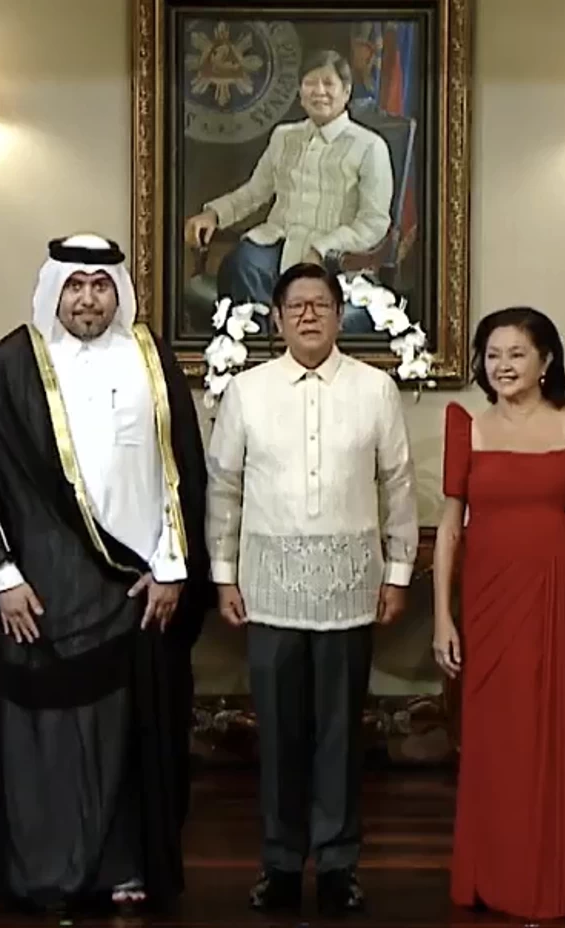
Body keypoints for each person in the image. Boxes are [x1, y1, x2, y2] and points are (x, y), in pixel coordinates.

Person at [0, 234, 211, 914]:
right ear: (55, 291)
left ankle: (124, 867)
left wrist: (172, 567)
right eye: (75, 286)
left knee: (128, 736)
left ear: (117, 292)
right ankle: (46, 872)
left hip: (136, 590)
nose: (88, 300)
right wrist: (2, 576)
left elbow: (182, 469)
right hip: (40, 591)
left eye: (100, 286)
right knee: (44, 740)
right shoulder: (12, 365)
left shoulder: (150, 359)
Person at [206, 262, 418, 916]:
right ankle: (278, 863)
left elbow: (398, 485)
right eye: (295, 306)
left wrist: (398, 573)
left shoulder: (376, 389)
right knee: (278, 736)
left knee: (340, 736)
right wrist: (223, 574)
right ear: (276, 318)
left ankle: (336, 864)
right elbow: (225, 487)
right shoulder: (246, 391)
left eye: (320, 304)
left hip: (351, 590)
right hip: (269, 590)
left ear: (338, 315)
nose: (308, 315)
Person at [433, 307, 565, 919]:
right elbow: (450, 529)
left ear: (546, 360)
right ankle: (497, 875)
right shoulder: (468, 427)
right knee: (499, 740)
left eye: (516, 353)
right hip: (489, 602)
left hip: (563, 602)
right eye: (492, 354)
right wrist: (442, 618)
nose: (503, 365)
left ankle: (564, 876)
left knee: (562, 735)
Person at [184, 49, 394, 316]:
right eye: (310, 83)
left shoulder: (370, 146)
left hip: (335, 257)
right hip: (277, 242)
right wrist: (214, 214)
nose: (319, 91)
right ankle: (259, 339)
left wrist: (323, 249)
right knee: (241, 264)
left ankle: (284, 337)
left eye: (328, 83)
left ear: (346, 91)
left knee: (304, 291)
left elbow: (374, 222)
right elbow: (254, 192)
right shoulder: (284, 136)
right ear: (300, 93)